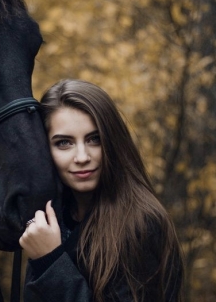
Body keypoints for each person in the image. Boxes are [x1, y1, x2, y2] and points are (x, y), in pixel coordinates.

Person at [19, 79, 183, 302]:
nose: (82, 157)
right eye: (64, 143)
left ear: (113, 141)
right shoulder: (53, 221)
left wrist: (51, 262)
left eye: (94, 139)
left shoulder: (142, 224)